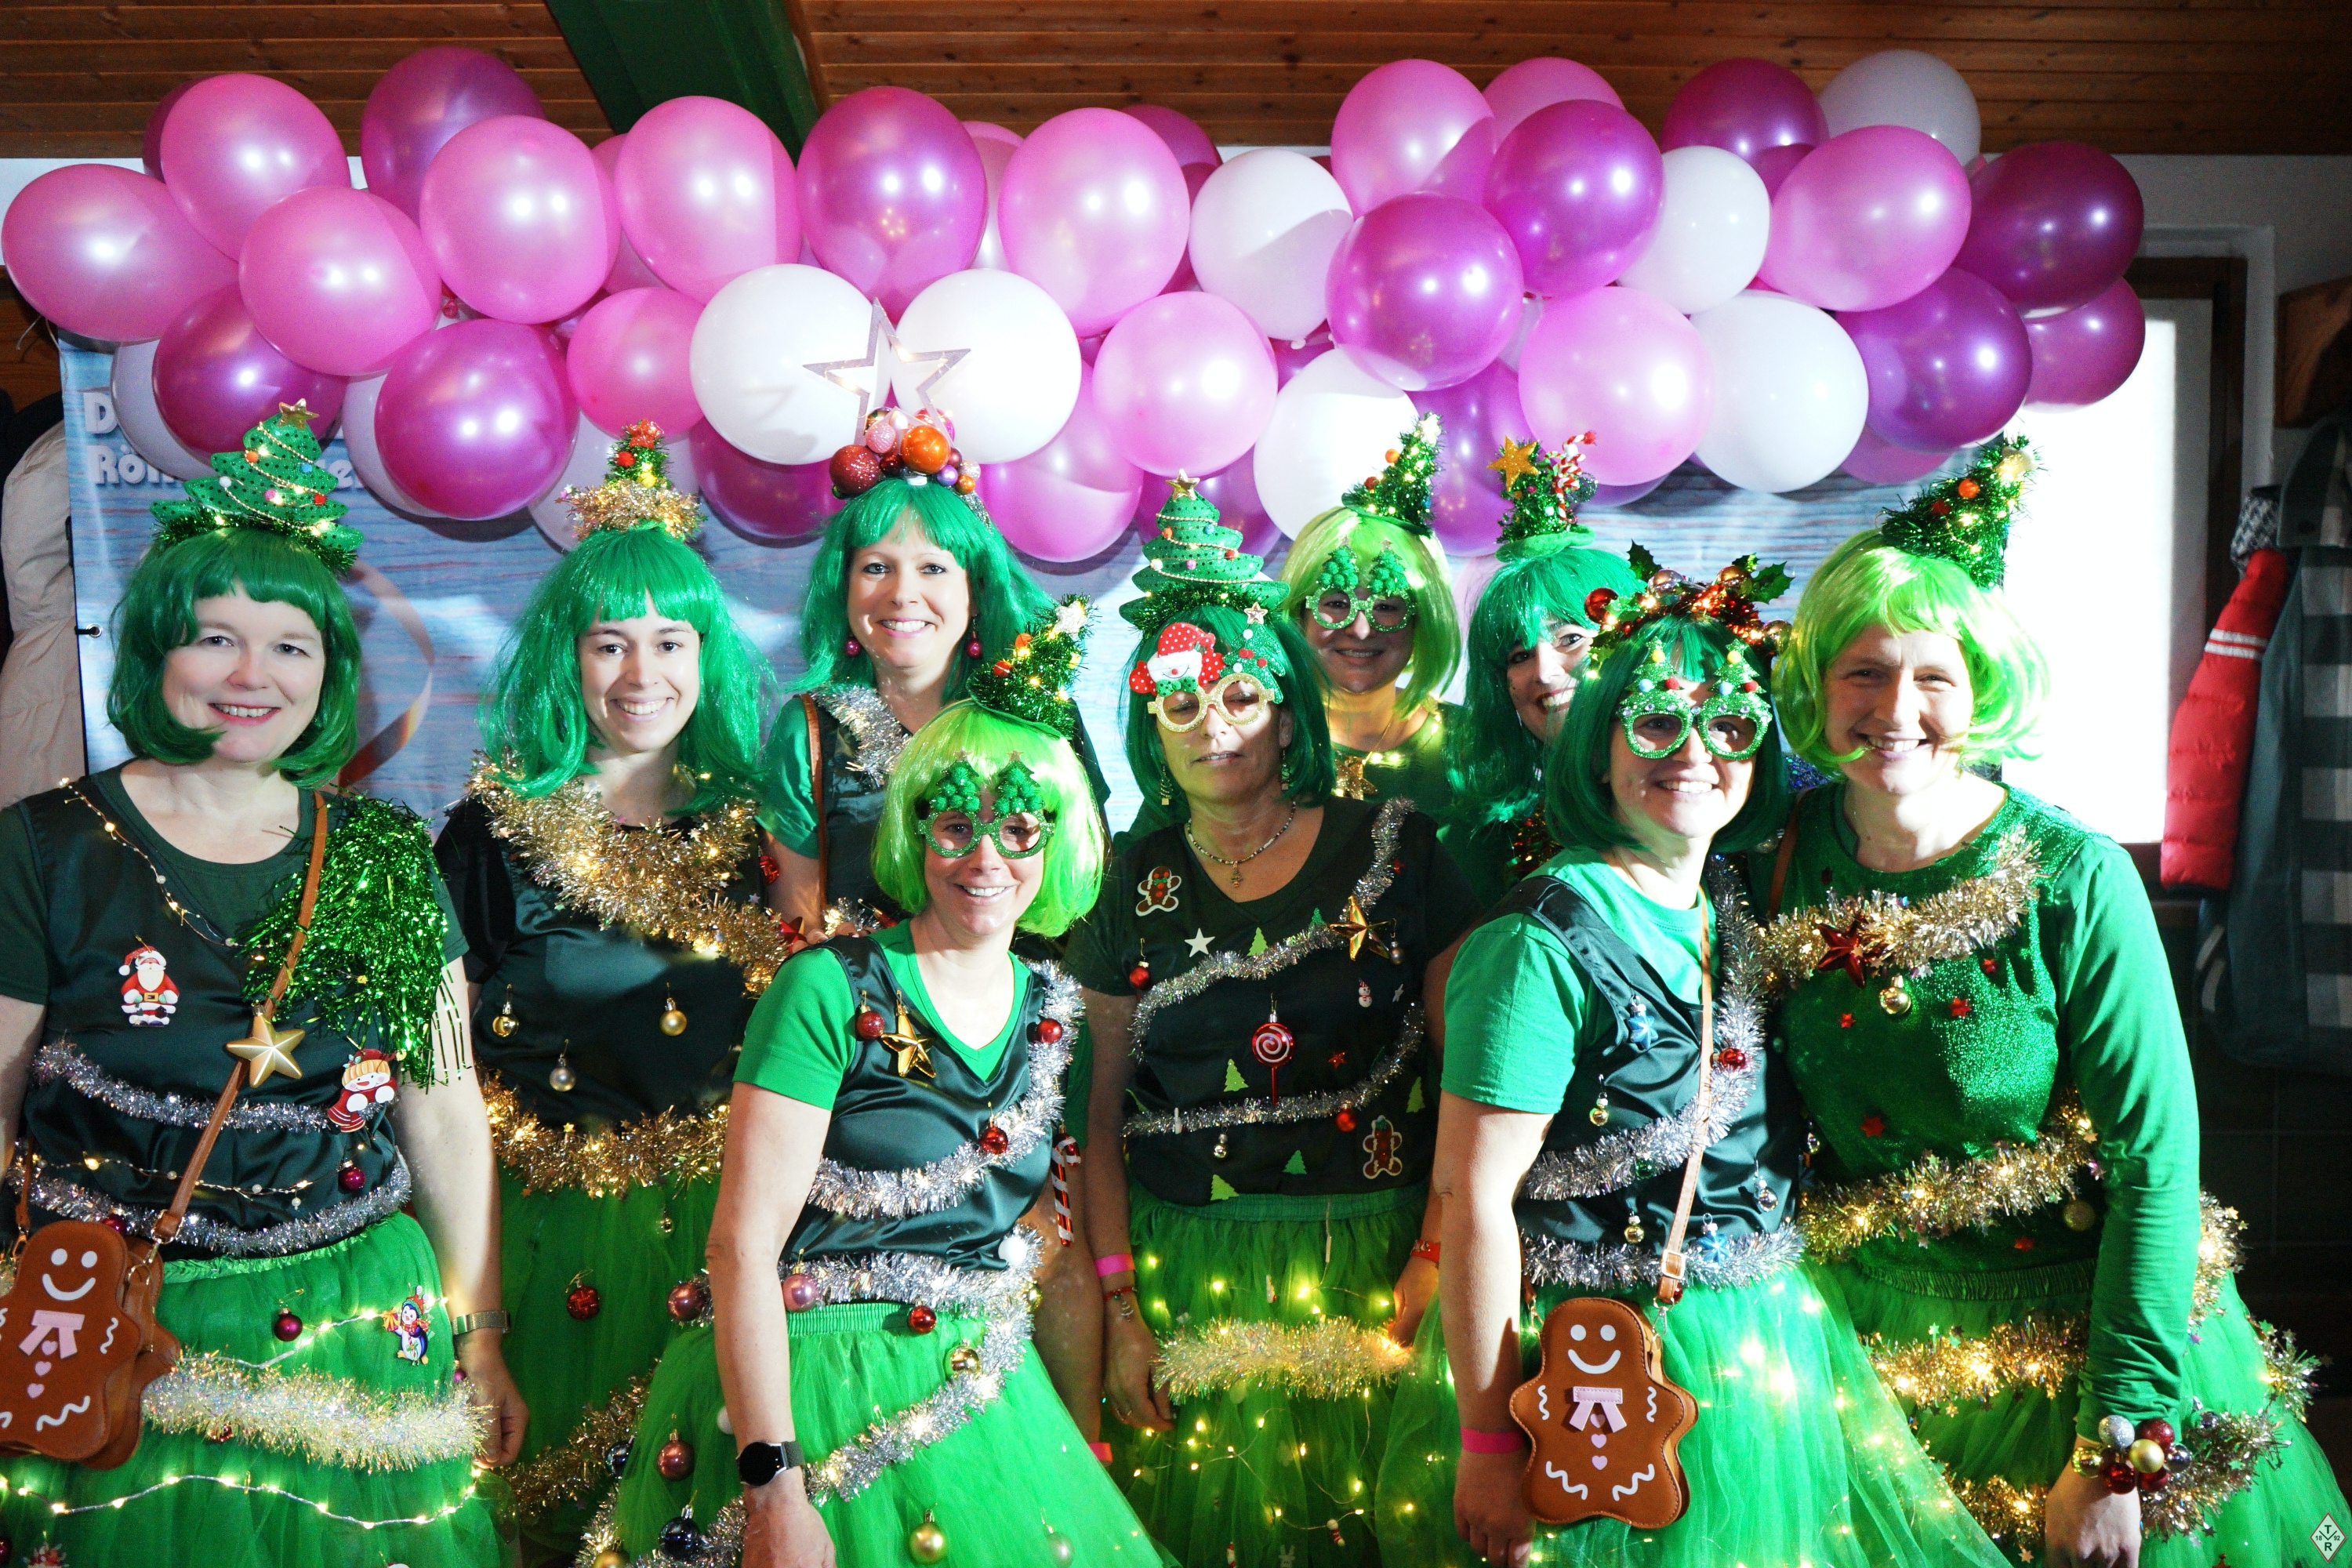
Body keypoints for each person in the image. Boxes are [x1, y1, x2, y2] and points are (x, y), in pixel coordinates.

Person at [1759, 438, 2350, 1567]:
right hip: (1859, 1359)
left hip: (2077, 1359)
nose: (1896, 708)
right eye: (1863, 673)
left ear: (1983, 690)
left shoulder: (2077, 877)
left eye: (1934, 677)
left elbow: (2156, 1166)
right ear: (1816, 688)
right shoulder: (1775, 858)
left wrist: (2115, 1448)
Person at [1379, 547, 2010, 1568]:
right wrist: (1490, 1444)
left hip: (1760, 1354)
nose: (1695, 751)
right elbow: (1472, 1196)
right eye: (1655, 723)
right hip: (1583, 1369)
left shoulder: (1734, 897)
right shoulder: (1536, 940)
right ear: (1599, 748)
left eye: (1729, 724)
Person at [0, 407, 521, 1566]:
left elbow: (443, 1109)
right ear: (156, 653)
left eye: (291, 645)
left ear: (329, 673)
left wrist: (479, 1330)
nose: (253, 675)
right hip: (117, 1332)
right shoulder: (44, 847)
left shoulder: (387, 857)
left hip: (358, 1334)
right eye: (215, 639)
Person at [578, 598, 1159, 1568]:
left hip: (979, 1396)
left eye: (1020, 828)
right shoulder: (829, 987)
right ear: (914, 833)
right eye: (956, 825)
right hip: (808, 1393)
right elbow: (739, 1246)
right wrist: (773, 1486)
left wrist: (1081, 1450)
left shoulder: (1053, 1014)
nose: (986, 857)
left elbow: (1049, 1251)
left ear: (1057, 844)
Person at [1069, 481, 1481, 1568]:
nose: (1215, 727)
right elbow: (1094, 1116)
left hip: (1375, 1260)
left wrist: (1436, 1256)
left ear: (1289, 714)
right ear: (1150, 729)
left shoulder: (1399, 847)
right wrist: (1120, 1311)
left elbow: (1471, 1082)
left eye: (1243, 697)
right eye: (1182, 706)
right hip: (1184, 1273)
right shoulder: (1122, 880)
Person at [431, 424, 784, 1560]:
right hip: (540, 1249)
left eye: (670, 641)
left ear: (707, 654)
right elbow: (436, 1086)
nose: (642, 676)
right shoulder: (490, 837)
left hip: (724, 1245)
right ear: (566, 659)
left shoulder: (767, 834)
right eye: (610, 644)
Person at [762, 408, 1105, 941]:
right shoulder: (808, 732)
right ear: (843, 588)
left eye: (933, 568)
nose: (902, 594)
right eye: (877, 567)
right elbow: (795, 931)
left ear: (976, 592)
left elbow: (1084, 904)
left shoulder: (1038, 712)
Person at [1442, 438, 1641, 908]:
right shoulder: (1488, 837)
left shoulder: (1696, 789)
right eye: (1518, 656)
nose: (1546, 673)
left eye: (1570, 639)